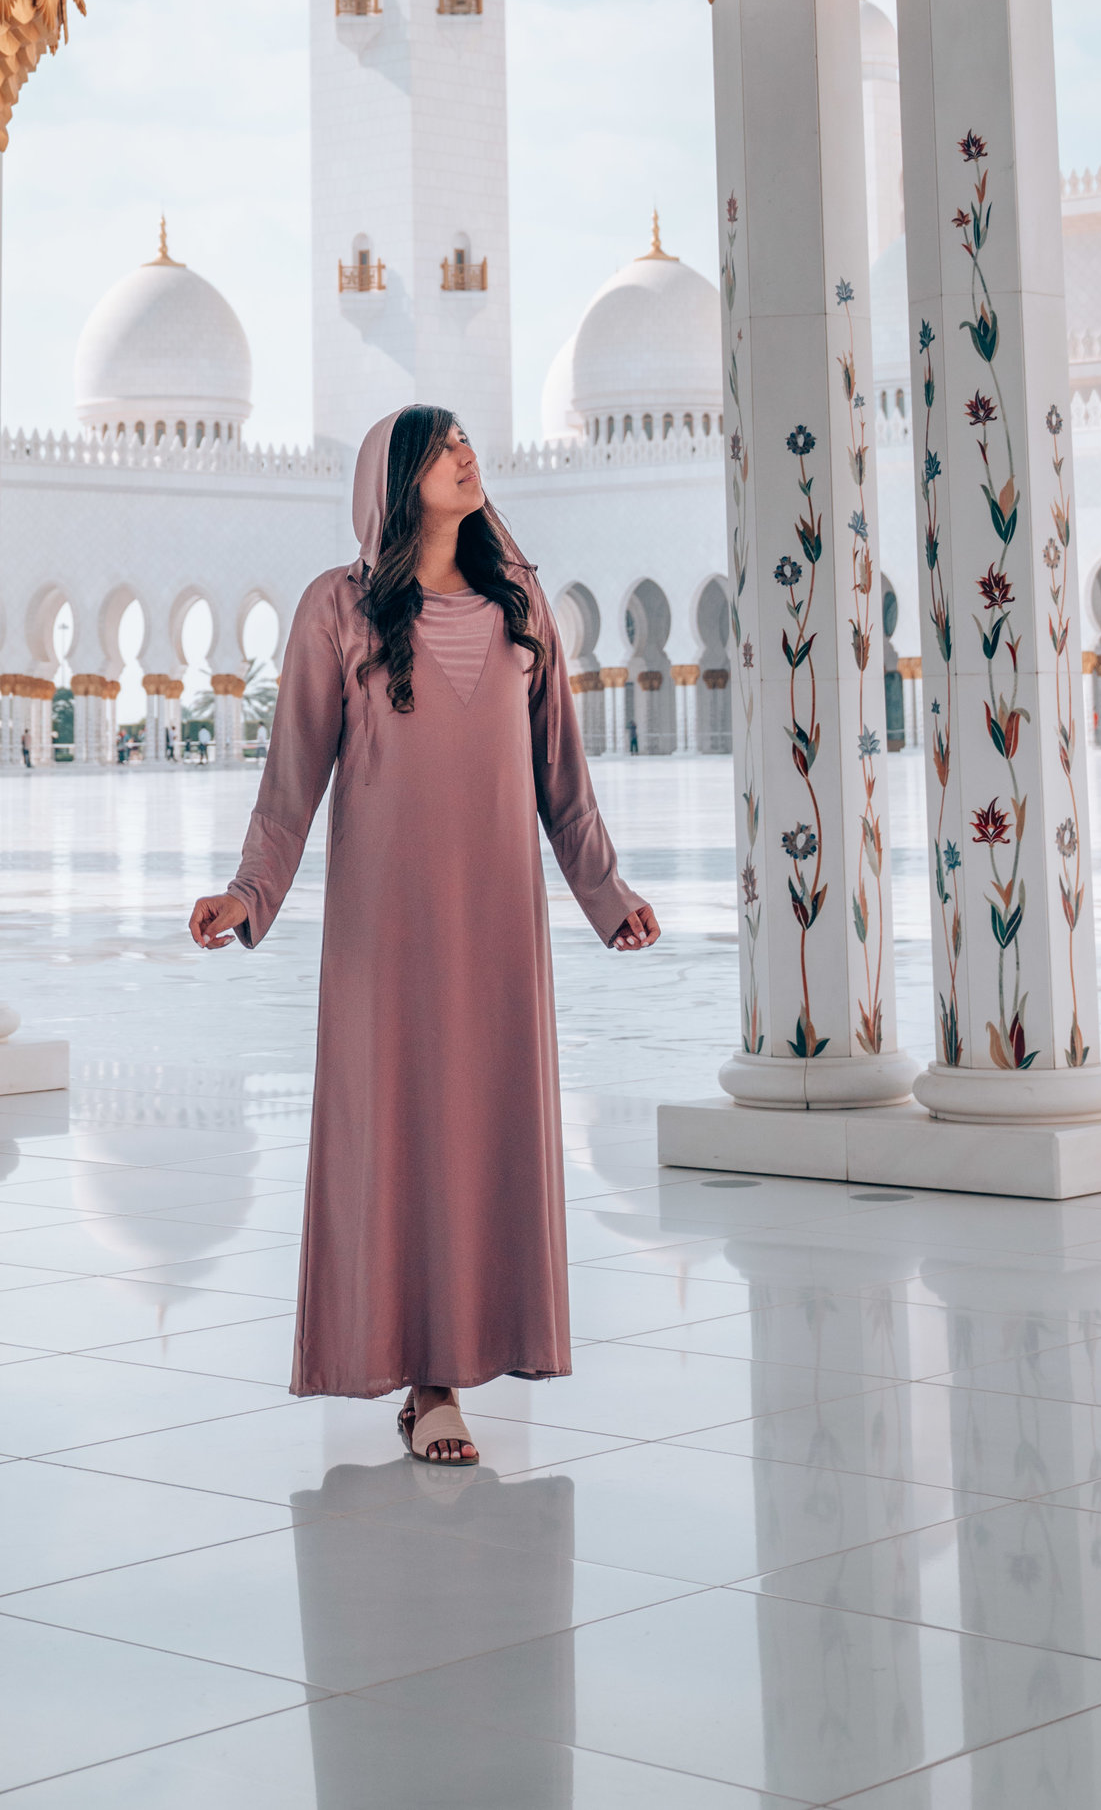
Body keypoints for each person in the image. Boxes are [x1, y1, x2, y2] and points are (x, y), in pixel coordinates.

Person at [190, 404, 660, 1465]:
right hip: (385, 927)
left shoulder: (516, 599)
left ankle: (470, 1355)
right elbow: (293, 776)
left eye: (465, 441)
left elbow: (562, 777)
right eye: (441, 443)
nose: (465, 453)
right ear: (397, 478)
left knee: (480, 1128)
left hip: (495, 923)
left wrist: (605, 891)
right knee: (399, 1130)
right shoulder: (338, 609)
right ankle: (426, 1381)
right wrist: (248, 891)